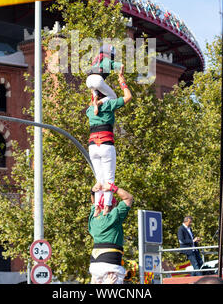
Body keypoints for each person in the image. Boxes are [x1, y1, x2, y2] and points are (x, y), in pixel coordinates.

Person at [86, 71, 132, 216]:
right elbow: (128, 97)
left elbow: (94, 101)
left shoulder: (89, 111)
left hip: (93, 146)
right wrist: (122, 80)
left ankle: (97, 208)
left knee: (99, 179)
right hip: (106, 144)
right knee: (109, 180)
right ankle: (106, 206)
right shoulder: (109, 105)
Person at [88, 181, 133, 284]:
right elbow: (128, 198)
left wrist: (93, 191)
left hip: (96, 265)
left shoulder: (93, 219)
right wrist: (114, 188)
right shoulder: (114, 217)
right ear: (113, 205)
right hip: (110, 264)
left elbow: (94, 203)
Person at [86, 44, 123, 115]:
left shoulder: (96, 60)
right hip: (98, 80)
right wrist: (121, 75)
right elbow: (121, 66)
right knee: (113, 97)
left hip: (88, 81)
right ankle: (97, 103)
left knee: (96, 90)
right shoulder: (107, 60)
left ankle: (95, 102)